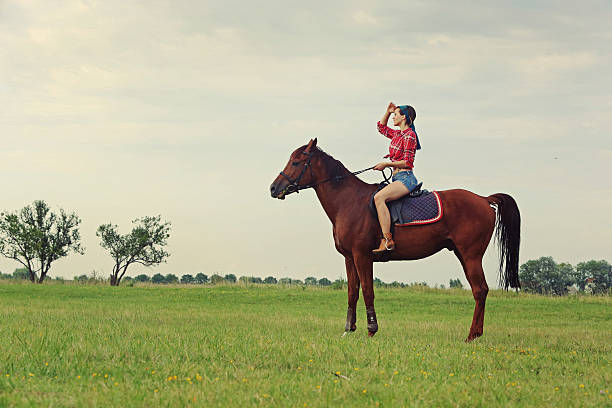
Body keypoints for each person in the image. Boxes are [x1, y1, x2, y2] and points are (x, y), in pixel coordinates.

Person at [372, 102, 421, 253]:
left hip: (405, 178)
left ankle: (387, 240)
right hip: (397, 178)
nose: (393, 117)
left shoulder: (410, 136)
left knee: (379, 198)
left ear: (404, 117)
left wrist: (387, 164)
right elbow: (381, 128)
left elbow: (408, 162)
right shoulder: (398, 134)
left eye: (395, 115)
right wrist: (387, 112)